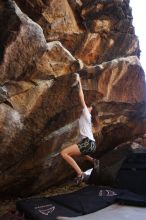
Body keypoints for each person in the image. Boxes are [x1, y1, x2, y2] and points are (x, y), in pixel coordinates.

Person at [61, 73, 98, 184]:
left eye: (89, 106)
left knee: (64, 153)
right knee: (76, 153)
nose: (87, 106)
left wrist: (79, 82)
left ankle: (80, 174)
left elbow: (81, 97)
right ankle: (94, 161)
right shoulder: (86, 116)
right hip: (91, 145)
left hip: (89, 144)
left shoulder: (87, 114)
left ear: (90, 109)